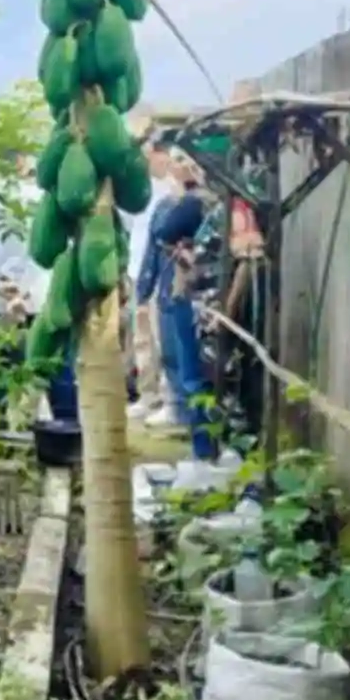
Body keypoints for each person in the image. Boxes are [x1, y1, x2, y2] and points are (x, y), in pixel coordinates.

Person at [135, 156, 235, 487]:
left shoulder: (193, 203)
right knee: (212, 377)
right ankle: (212, 449)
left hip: (194, 302)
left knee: (194, 378)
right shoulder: (222, 207)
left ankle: (204, 451)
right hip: (213, 303)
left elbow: (164, 232)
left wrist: (178, 198)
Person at [0, 154, 78, 425]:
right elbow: (54, 247)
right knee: (56, 370)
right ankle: (67, 432)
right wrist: (24, 288)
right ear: (22, 162)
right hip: (41, 297)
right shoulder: (43, 198)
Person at [125, 141, 183, 423]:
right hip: (138, 270)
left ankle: (169, 397)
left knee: (164, 339)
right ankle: (147, 395)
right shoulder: (138, 190)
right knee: (142, 339)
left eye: (154, 155)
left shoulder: (173, 191)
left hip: (163, 274)